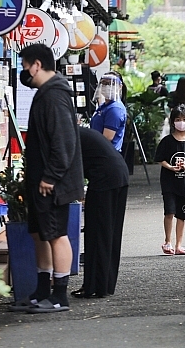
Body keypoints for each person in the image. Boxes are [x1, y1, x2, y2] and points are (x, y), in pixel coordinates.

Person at [12, 43, 84, 313]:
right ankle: (42, 290)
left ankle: (60, 295)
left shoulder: (54, 96)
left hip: (53, 183)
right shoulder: (47, 93)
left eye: (25, 66)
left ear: (37, 65)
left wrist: (50, 177)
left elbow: (63, 143)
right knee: (39, 233)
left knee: (55, 234)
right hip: (41, 180)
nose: (24, 72)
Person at [71, 127, 129, 299]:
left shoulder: (68, 136)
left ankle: (93, 286)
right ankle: (105, 284)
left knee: (96, 232)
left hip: (104, 180)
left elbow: (70, 168)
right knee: (111, 233)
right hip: (119, 174)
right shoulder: (81, 133)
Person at [154, 104, 185, 255]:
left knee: (182, 215)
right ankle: (168, 241)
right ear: (172, 121)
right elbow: (160, 159)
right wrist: (170, 167)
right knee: (169, 212)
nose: (181, 122)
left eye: (184, 119)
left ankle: (179, 245)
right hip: (169, 183)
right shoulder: (167, 141)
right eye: (177, 119)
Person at [90, 71, 127, 152]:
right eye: (104, 83)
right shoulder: (105, 106)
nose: (107, 86)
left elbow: (107, 138)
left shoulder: (115, 109)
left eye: (111, 83)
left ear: (120, 86)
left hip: (106, 155)